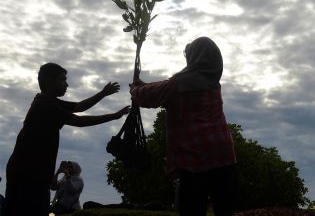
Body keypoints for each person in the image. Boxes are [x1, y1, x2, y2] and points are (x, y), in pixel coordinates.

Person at [4, 62, 130, 216]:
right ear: (49, 82)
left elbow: (78, 106)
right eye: (62, 80)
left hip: (26, 173)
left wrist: (102, 94)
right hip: (29, 175)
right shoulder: (44, 105)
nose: (67, 84)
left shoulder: (47, 101)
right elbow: (79, 121)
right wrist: (113, 116)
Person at [130, 37, 237, 216]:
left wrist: (135, 89)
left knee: (192, 209)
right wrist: (146, 85)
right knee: (224, 210)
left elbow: (147, 96)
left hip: (195, 159)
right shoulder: (213, 83)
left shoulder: (181, 82)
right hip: (224, 156)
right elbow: (167, 87)